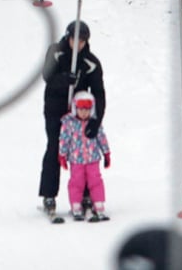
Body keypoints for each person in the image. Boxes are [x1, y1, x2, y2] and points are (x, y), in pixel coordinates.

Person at [38, 20, 105, 218]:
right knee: (54, 148)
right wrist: (63, 79)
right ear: (68, 37)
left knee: (83, 154)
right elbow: (47, 75)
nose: (78, 44)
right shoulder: (55, 51)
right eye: (75, 39)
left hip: (81, 115)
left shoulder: (91, 63)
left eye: (82, 41)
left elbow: (99, 92)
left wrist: (96, 120)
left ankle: (85, 194)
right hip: (55, 110)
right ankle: (49, 195)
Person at [57, 90, 111, 222]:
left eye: (87, 109)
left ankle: (99, 204)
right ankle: (76, 205)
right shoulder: (69, 123)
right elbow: (64, 139)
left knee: (96, 181)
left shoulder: (93, 124)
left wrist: (106, 152)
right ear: (75, 108)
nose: (84, 112)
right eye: (81, 109)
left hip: (93, 159)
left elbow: (101, 138)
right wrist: (62, 154)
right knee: (76, 182)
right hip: (76, 160)